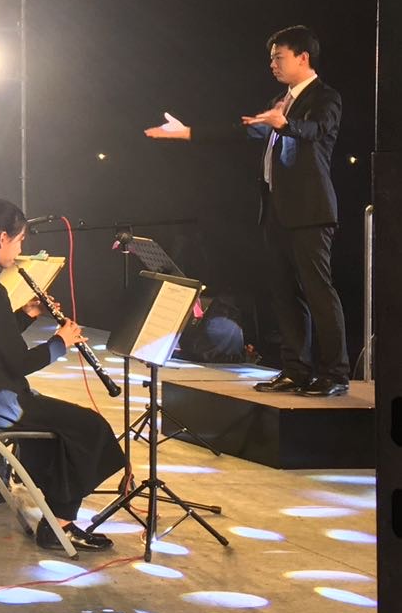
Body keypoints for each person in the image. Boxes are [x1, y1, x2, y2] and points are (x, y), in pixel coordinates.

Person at [144, 25, 348, 396]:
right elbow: (244, 132)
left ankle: (335, 374)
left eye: (279, 57)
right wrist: (186, 132)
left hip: (310, 212)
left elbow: (317, 130)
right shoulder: (280, 100)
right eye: (271, 58)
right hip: (276, 211)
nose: (273, 64)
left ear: (303, 57)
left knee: (319, 292)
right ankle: (296, 370)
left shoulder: (325, 96)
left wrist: (284, 122)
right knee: (284, 294)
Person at [0, 198, 125, 553]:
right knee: (89, 426)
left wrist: (26, 315)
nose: (21, 249)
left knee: (61, 429)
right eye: (20, 240)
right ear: (2, 238)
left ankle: (56, 516)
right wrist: (60, 343)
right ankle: (60, 525)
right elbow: (19, 362)